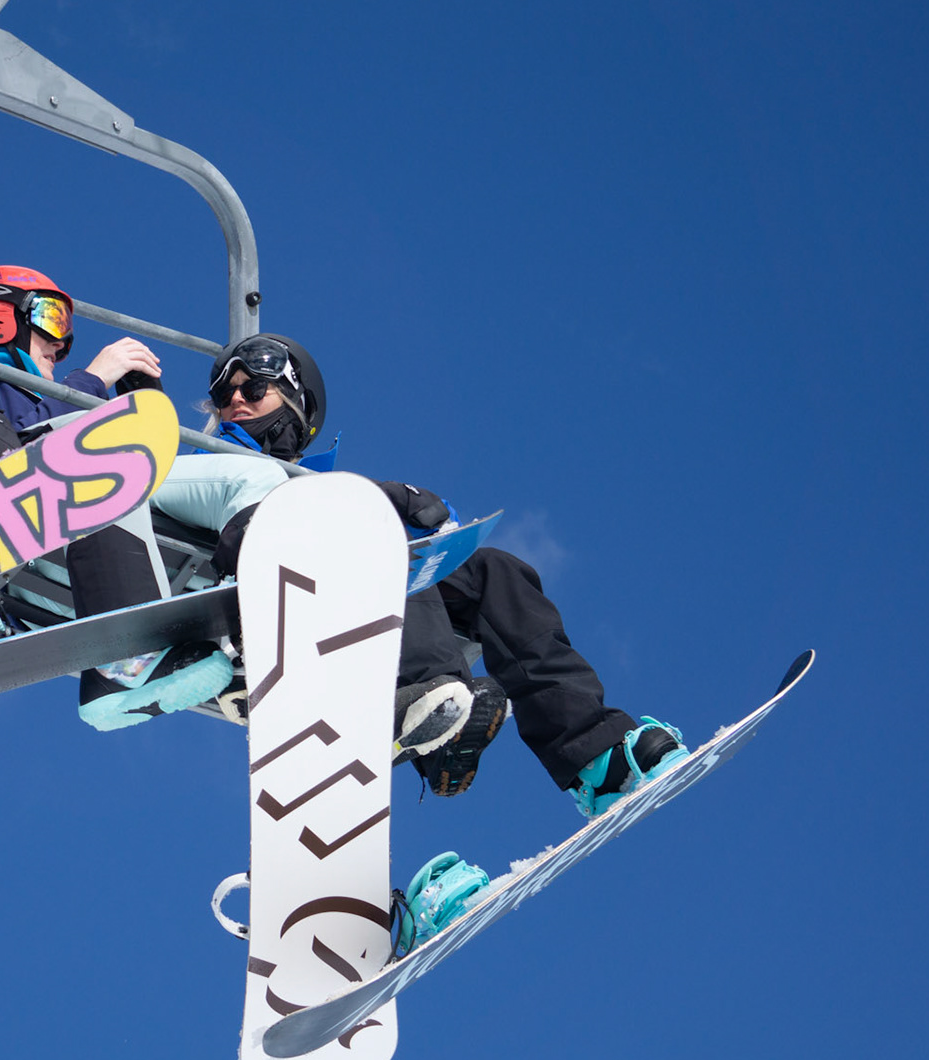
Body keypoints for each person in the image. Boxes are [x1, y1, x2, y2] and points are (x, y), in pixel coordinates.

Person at [200, 333, 689, 821]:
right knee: (376, 537)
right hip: (264, 581)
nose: (236, 401)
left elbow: (442, 530)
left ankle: (594, 757)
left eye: (253, 389)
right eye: (225, 395)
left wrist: (402, 503)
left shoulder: (321, 483)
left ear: (295, 403)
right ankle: (439, 707)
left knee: (496, 572)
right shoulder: (204, 461)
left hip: (337, 576)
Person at [0, 266, 240, 727]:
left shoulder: (29, 394)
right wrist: (92, 381)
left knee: (124, 446)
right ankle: (128, 652)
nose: (62, 344)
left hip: (58, 535)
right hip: (8, 515)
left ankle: (126, 663)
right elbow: (9, 452)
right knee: (103, 445)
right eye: (53, 320)